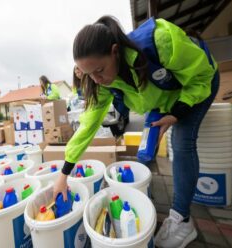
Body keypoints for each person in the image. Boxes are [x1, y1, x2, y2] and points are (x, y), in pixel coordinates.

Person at [54, 16, 218, 248]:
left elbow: (201, 75)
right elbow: (88, 125)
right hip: (164, 96)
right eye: (89, 74)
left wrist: (178, 113)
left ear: (114, 51)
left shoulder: (159, 41)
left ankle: (182, 220)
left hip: (200, 81)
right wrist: (64, 174)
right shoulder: (101, 81)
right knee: (149, 143)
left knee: (182, 141)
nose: (97, 80)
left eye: (99, 70)